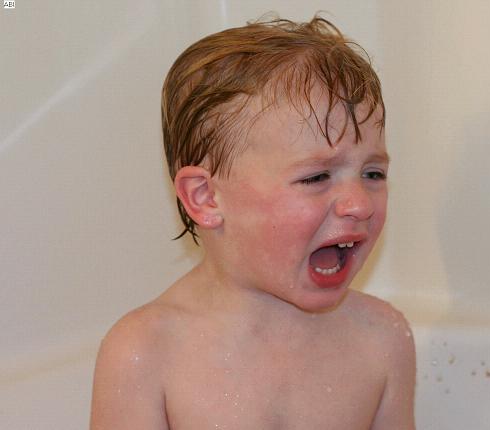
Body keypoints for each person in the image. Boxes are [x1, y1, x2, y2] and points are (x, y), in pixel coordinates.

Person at [90, 15, 416, 429]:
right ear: (206, 197)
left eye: (373, 173)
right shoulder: (146, 354)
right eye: (316, 177)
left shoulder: (382, 338)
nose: (359, 204)